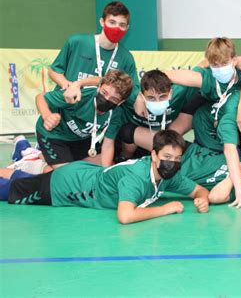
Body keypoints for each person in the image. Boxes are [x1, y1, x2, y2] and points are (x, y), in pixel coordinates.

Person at [4, 130, 210, 224]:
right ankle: (23, 152)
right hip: (67, 187)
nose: (172, 162)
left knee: (22, 179)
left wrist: (203, 198)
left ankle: (22, 150)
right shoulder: (136, 177)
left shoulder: (170, 173)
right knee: (12, 191)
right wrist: (165, 209)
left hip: (83, 172)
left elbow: (199, 190)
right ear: (154, 155)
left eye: (176, 158)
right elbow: (126, 216)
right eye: (167, 156)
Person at [35, 70, 132, 169]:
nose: (106, 99)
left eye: (114, 99)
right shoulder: (81, 95)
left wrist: (105, 173)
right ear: (99, 87)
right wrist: (47, 116)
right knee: (67, 176)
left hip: (80, 139)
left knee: (106, 166)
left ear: (120, 102)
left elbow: (108, 144)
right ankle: (33, 163)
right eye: (104, 92)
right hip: (55, 135)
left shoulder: (116, 113)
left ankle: (48, 157)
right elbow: (41, 97)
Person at [50, 1, 139, 102]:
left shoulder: (126, 58)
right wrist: (67, 85)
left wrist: (140, 100)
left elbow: (133, 92)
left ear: (127, 28)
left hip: (99, 113)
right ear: (102, 22)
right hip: (66, 107)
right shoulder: (77, 42)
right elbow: (54, 70)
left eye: (122, 25)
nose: (116, 28)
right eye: (112, 22)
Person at [118, 70, 196, 159]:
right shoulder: (131, 95)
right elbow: (108, 86)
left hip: (163, 139)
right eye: (151, 98)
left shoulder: (180, 91)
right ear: (142, 95)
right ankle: (123, 158)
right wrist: (137, 97)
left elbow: (200, 74)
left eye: (163, 97)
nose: (157, 102)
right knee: (127, 131)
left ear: (170, 93)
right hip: (133, 138)